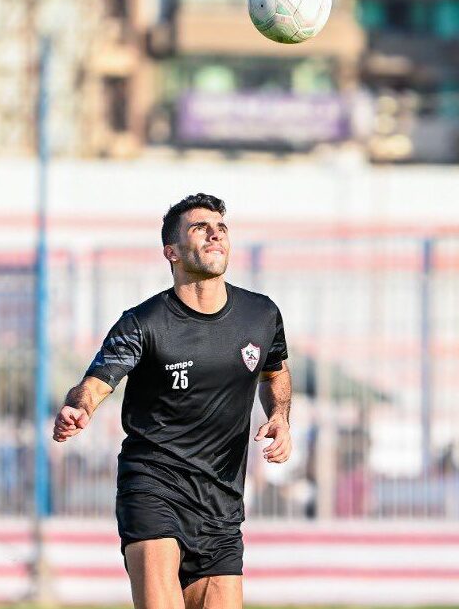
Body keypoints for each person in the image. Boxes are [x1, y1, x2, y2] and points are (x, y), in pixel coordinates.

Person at [53, 193, 292, 609]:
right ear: (172, 252)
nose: (215, 233)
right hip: (153, 486)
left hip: (221, 502)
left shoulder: (262, 315)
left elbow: (275, 371)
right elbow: (99, 379)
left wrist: (280, 416)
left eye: (221, 227)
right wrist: (81, 405)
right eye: (200, 227)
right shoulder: (144, 322)